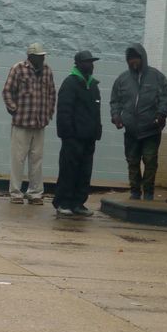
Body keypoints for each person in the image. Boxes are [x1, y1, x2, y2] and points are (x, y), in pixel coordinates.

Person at [110, 44, 167, 201]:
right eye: (130, 59)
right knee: (132, 161)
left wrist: (161, 114)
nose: (133, 62)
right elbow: (115, 100)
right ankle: (135, 191)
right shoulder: (122, 79)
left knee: (150, 160)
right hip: (131, 130)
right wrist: (116, 116)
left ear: (142, 58)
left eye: (136, 58)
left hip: (151, 129)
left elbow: (166, 98)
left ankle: (149, 191)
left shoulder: (157, 77)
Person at [1, 43, 56, 205]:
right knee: (18, 159)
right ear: (31, 56)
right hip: (21, 122)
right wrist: (14, 109)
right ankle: (16, 193)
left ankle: (35, 193)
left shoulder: (47, 71)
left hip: (40, 123)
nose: (43, 58)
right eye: (40, 56)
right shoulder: (18, 69)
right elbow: (7, 91)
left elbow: (52, 93)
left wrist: (49, 113)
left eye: (43, 56)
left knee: (37, 159)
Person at [53, 50, 103, 217]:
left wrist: (97, 131)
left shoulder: (94, 85)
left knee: (84, 172)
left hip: (89, 138)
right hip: (73, 138)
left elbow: (97, 111)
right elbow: (64, 110)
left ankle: (78, 203)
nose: (91, 65)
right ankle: (63, 202)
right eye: (88, 62)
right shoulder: (70, 83)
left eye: (92, 62)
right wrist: (67, 134)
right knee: (69, 170)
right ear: (79, 64)